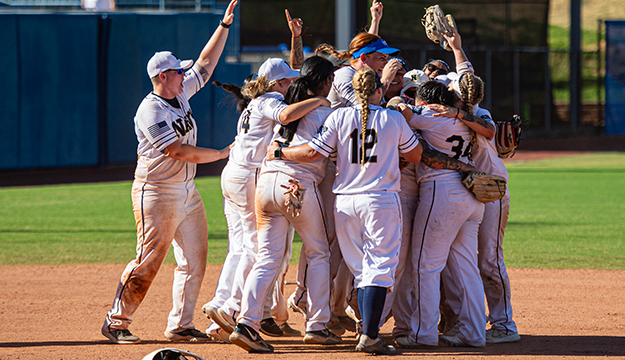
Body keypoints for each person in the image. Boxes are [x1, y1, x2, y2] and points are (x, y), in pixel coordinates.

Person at [101, 0, 238, 344]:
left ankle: (180, 324)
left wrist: (223, 26)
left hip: (186, 191)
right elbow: (176, 150)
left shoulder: (180, 93)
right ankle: (116, 321)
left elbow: (205, 65)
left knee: (195, 259)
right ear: (163, 77)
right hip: (157, 192)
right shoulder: (150, 109)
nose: (184, 75)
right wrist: (221, 153)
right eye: (178, 71)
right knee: (148, 260)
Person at [266, 67, 423, 355]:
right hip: (380, 200)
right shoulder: (393, 118)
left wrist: (279, 152)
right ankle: (371, 336)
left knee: (362, 270)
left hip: (345, 202)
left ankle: (367, 331)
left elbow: (313, 152)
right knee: (378, 269)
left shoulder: (338, 116)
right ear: (379, 90)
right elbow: (414, 155)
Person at [204, 57, 329, 338]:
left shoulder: (253, 102)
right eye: (288, 80)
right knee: (255, 248)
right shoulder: (270, 98)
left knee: (239, 246)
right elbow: (286, 116)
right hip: (249, 175)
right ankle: (230, 308)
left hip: (234, 173)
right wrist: (320, 102)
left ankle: (221, 307)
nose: (292, 85)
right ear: (278, 83)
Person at [397, 80, 486, 348]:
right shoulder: (469, 118)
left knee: (425, 266)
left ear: (426, 102)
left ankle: (422, 333)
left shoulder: (429, 115)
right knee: (467, 268)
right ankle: (474, 332)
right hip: (471, 194)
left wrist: (400, 102)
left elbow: (401, 113)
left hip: (442, 190)